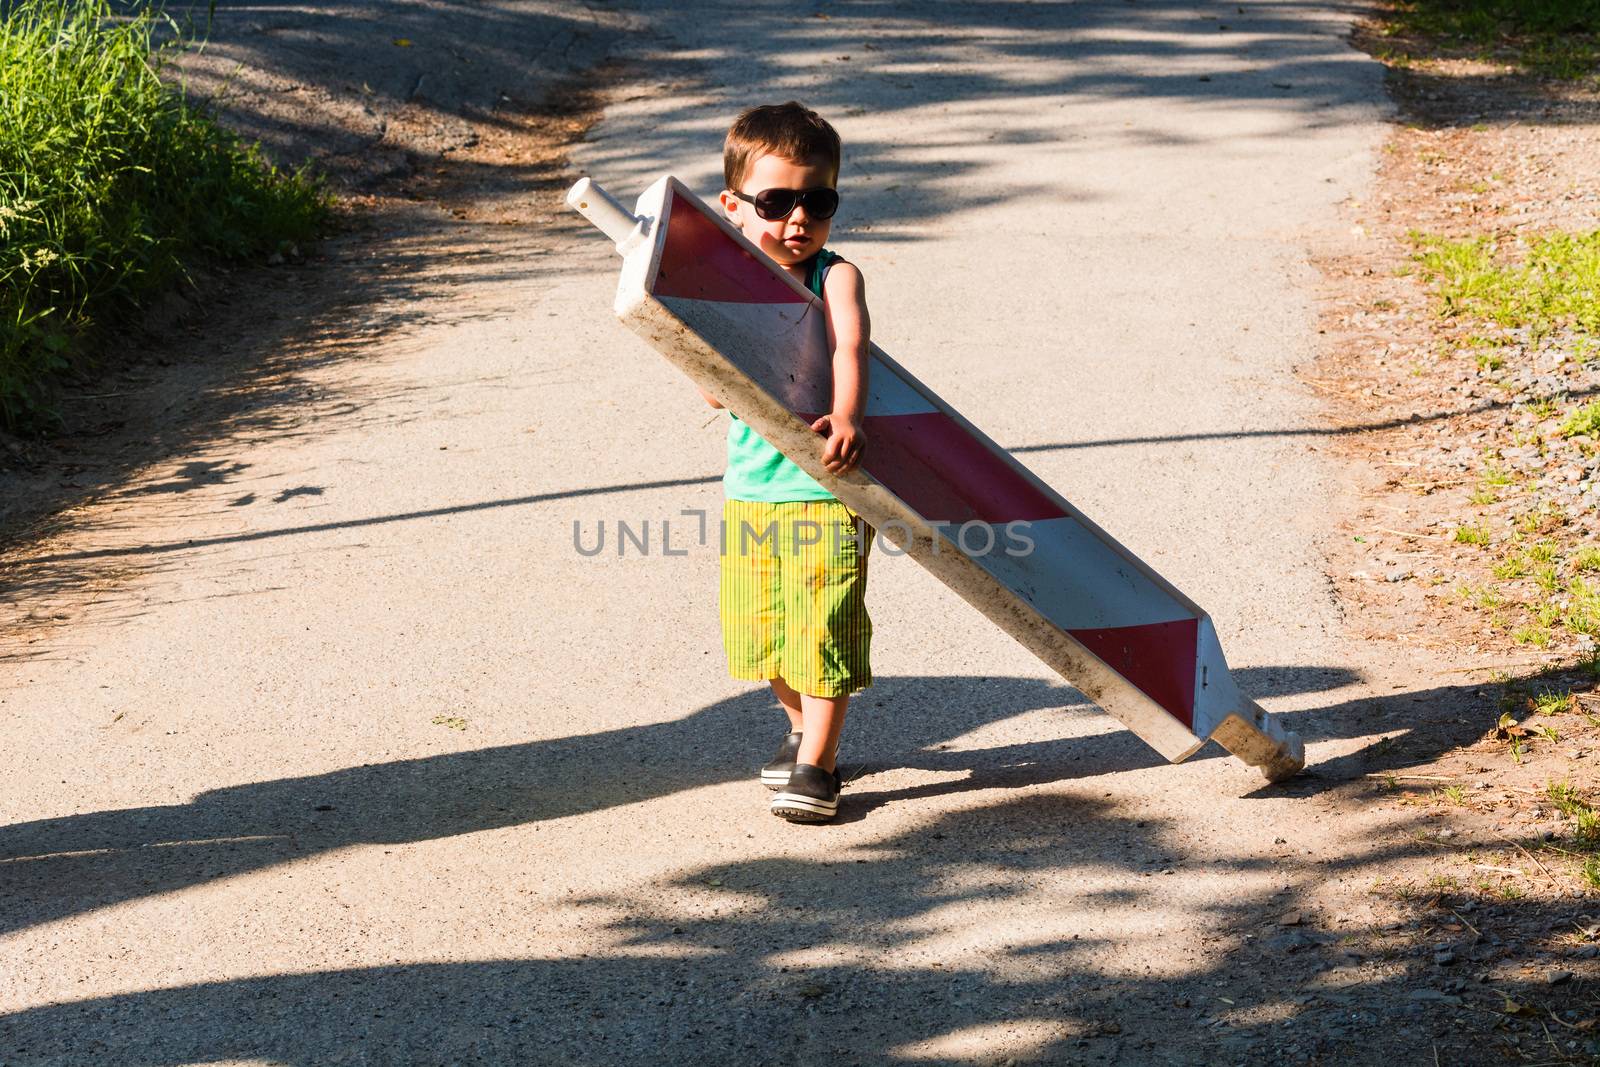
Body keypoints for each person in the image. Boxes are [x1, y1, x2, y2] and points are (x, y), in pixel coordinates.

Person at [696, 100, 873, 823]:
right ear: (734, 206)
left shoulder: (836, 275)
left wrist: (850, 413)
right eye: (777, 202)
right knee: (762, 633)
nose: (799, 219)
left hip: (825, 489)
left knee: (822, 627)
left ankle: (819, 762)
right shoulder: (726, 285)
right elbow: (710, 380)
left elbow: (849, 347)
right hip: (753, 491)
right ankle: (800, 727)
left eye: (818, 201)